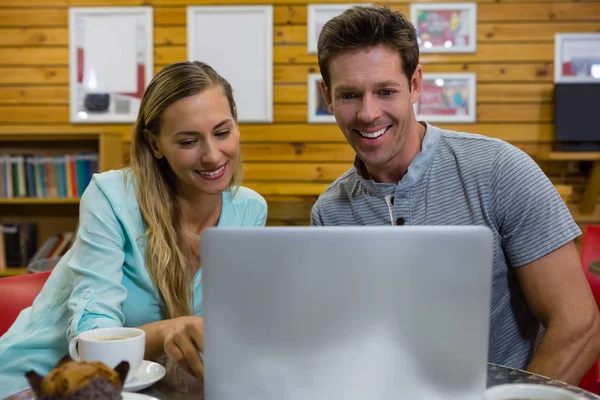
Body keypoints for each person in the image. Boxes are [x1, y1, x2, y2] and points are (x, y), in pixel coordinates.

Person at [310, 5, 600, 385]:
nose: (368, 113)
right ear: (327, 96)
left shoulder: (499, 169)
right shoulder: (329, 213)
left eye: (385, 91)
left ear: (415, 84)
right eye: (349, 95)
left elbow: (578, 325)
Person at [0, 61, 267, 397]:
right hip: (39, 381)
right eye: (188, 141)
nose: (213, 156)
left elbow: (229, 326)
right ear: (155, 145)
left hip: (146, 387)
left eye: (223, 132)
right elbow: (92, 341)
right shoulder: (111, 197)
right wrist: (170, 330)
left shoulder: (250, 210)